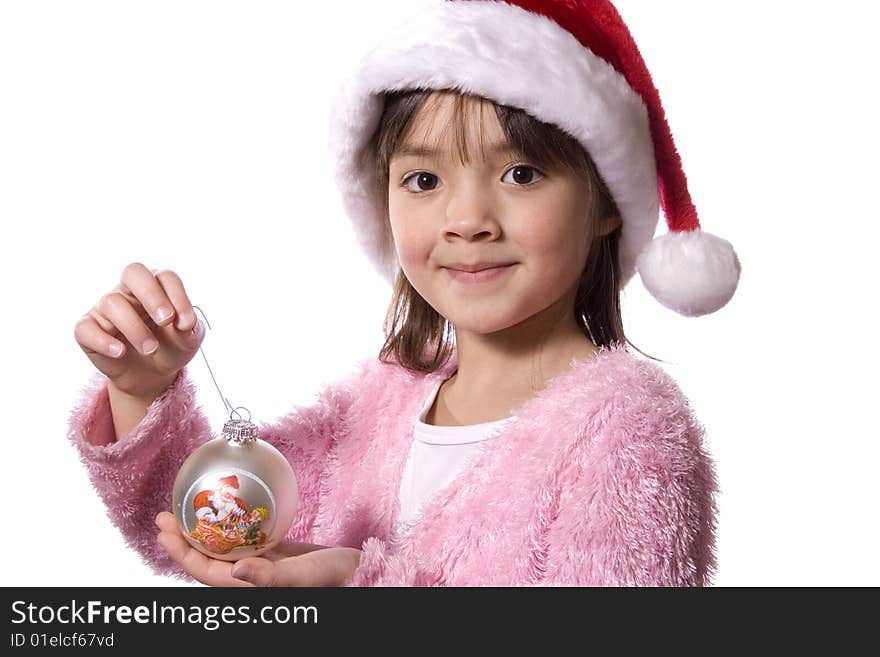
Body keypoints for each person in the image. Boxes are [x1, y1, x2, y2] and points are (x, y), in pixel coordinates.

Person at [69, 0, 741, 586]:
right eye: (424, 180)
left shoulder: (627, 429)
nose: (467, 218)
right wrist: (142, 386)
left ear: (606, 204)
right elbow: (207, 516)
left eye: (522, 171)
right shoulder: (383, 400)